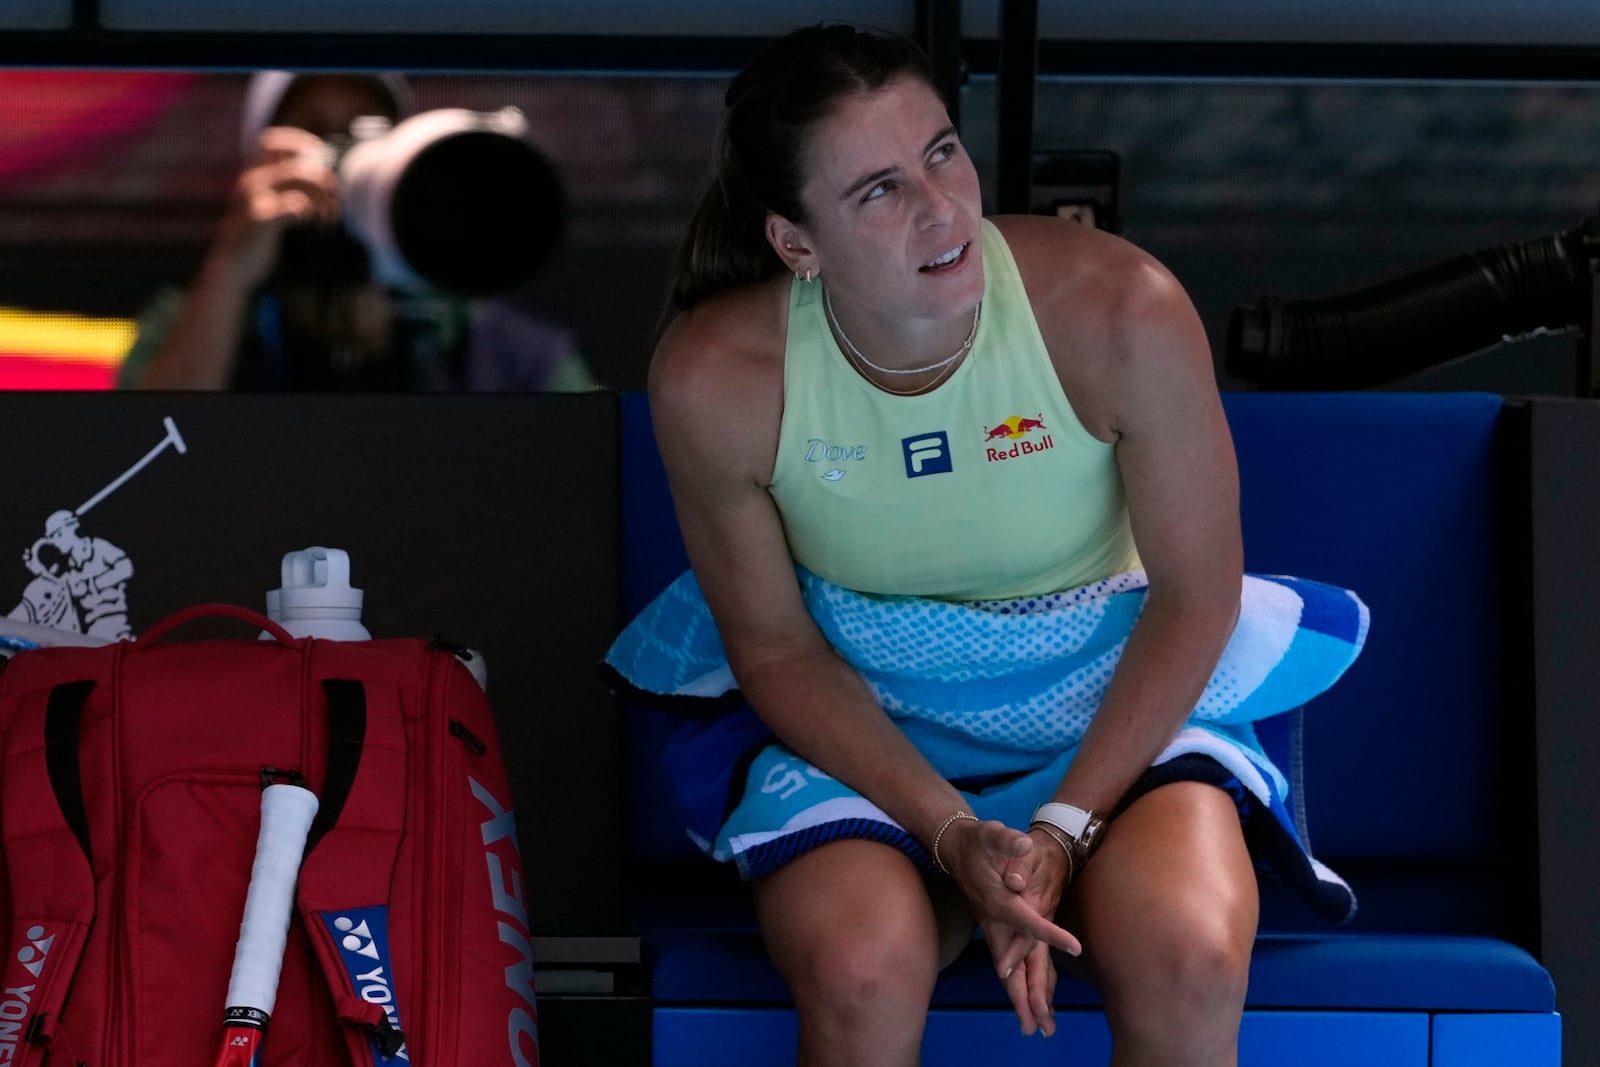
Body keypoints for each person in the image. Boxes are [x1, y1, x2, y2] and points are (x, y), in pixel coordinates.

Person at [646, 24, 1255, 1067]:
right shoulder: (713, 377)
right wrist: (947, 828)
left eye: (939, 151)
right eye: (877, 190)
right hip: (870, 748)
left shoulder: (1122, 305)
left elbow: (1196, 597)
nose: (941, 206)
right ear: (796, 242)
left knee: (1189, 951)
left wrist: (1060, 825)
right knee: (859, 970)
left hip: (1109, 730)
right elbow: (779, 651)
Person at [118, 71, 598, 393]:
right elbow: (139, 464)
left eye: (366, 131)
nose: (344, 161)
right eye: (316, 132)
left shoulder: (504, 347)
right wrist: (230, 269)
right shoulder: (194, 317)